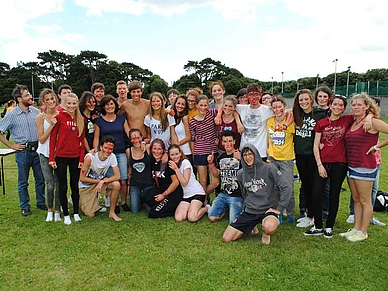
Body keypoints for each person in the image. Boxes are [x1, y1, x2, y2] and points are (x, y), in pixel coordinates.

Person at [304, 95, 354, 238]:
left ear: (344, 108)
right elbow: (315, 146)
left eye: (341, 105)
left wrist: (369, 118)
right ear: (330, 105)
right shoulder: (321, 123)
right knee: (316, 195)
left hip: (340, 164)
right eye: (335, 104)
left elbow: (365, 113)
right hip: (323, 163)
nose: (338, 107)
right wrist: (319, 165)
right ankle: (318, 226)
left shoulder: (347, 120)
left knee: (333, 195)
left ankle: (329, 226)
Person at [341, 93, 388, 242]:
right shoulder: (353, 121)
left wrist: (377, 146)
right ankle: (356, 228)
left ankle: (363, 231)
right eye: (353, 104)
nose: (355, 107)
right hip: (352, 165)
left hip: (365, 166)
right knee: (356, 199)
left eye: (359, 104)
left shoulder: (372, 122)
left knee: (365, 200)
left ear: (367, 106)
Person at [222, 144, 291, 245]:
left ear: (256, 155)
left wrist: (279, 209)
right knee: (227, 238)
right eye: (245, 155)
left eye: (250, 154)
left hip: (267, 209)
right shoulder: (241, 173)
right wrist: (246, 208)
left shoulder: (269, 168)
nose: (248, 157)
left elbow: (286, 187)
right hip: (250, 211)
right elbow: (244, 193)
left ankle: (265, 233)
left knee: (269, 228)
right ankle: (252, 225)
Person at [0, 84, 46, 216]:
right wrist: (11, 145)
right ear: (19, 99)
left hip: (37, 150)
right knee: (23, 181)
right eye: (26, 95)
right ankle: (25, 206)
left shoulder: (36, 112)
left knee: (40, 178)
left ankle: (41, 201)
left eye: (29, 94)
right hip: (23, 152)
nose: (30, 96)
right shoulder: (11, 115)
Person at [49, 93, 85, 225]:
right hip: (61, 157)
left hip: (75, 158)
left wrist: (81, 159)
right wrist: (52, 157)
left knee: (74, 186)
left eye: (74, 103)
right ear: (64, 103)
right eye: (68, 103)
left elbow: (82, 140)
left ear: (77, 104)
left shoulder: (80, 119)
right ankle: (65, 214)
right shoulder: (59, 117)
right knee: (62, 187)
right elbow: (53, 138)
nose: (71, 106)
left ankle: (75, 212)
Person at [292, 89, 326, 227]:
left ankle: (312, 215)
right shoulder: (296, 114)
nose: (304, 102)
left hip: (314, 155)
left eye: (306, 99)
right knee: (305, 185)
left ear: (311, 99)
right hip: (300, 155)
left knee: (314, 187)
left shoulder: (320, 113)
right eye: (301, 100)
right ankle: (308, 213)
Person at [94, 95, 131, 212]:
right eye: (107, 104)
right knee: (111, 180)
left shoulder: (121, 119)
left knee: (123, 180)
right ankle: (113, 203)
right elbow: (96, 138)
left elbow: (129, 132)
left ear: (115, 106)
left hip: (120, 152)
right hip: (107, 155)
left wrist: (138, 141)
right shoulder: (99, 121)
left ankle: (124, 201)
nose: (109, 106)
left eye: (111, 104)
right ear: (103, 107)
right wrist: (96, 150)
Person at [79, 135, 122, 221]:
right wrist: (99, 181)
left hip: (99, 183)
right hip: (85, 186)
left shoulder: (112, 156)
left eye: (110, 149)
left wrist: (102, 182)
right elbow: (82, 178)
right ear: (100, 146)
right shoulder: (90, 158)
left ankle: (112, 212)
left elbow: (117, 176)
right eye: (105, 148)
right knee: (90, 215)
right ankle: (78, 200)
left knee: (116, 185)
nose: (107, 151)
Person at [267, 95, 295, 222]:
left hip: (286, 159)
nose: (276, 109)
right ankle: (277, 211)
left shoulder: (290, 121)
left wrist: (286, 121)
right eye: (274, 107)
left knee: (288, 186)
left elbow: (293, 112)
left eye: (279, 107)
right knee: (274, 187)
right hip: (272, 158)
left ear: (285, 107)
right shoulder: (269, 121)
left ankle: (290, 213)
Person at [207, 131, 243, 223]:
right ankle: (225, 208)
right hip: (223, 194)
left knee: (234, 223)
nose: (227, 144)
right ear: (222, 143)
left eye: (230, 141)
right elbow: (216, 174)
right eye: (225, 141)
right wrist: (211, 164)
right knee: (212, 218)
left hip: (237, 195)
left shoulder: (241, 155)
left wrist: (240, 160)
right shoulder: (221, 157)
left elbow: (250, 172)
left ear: (234, 142)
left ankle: (239, 209)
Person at [36, 89, 61, 222]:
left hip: (58, 154)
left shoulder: (61, 114)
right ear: (43, 102)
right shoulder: (40, 117)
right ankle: (49, 209)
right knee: (50, 183)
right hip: (44, 153)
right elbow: (41, 139)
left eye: (52, 98)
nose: (51, 101)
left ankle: (58, 210)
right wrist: (51, 126)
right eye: (48, 100)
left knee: (59, 182)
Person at [168, 144, 208, 222]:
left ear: (180, 153)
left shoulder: (185, 162)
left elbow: (185, 183)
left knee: (192, 218)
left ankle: (206, 208)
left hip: (197, 193)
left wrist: (176, 170)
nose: (175, 156)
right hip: (186, 195)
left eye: (176, 154)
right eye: (172, 155)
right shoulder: (173, 164)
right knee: (179, 218)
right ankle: (191, 208)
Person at [189, 95, 218, 193]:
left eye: (205, 105)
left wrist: (218, 136)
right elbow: (192, 140)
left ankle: (202, 197)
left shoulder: (212, 113)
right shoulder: (192, 122)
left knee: (216, 182)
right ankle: (203, 202)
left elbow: (224, 109)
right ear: (196, 105)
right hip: (199, 152)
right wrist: (194, 156)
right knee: (203, 180)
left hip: (213, 150)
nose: (203, 107)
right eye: (200, 105)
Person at [235, 83, 273, 158]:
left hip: (260, 152)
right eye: (251, 95)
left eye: (256, 94)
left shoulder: (267, 110)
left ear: (260, 95)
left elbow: (285, 111)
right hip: (245, 151)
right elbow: (229, 108)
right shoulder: (242, 108)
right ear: (247, 96)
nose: (254, 97)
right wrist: (238, 123)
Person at [148, 139, 183, 218]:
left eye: (159, 149)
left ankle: (174, 209)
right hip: (162, 191)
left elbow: (176, 182)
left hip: (172, 194)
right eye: (154, 148)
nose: (157, 151)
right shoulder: (152, 161)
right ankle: (165, 206)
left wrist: (164, 195)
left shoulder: (168, 163)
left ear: (163, 150)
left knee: (152, 214)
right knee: (145, 196)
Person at [128, 129, 154, 213]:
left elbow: (158, 148)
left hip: (148, 184)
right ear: (130, 140)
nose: (136, 141)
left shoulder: (147, 148)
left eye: (138, 138)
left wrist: (143, 143)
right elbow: (129, 167)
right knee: (135, 210)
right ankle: (140, 198)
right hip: (135, 185)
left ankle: (144, 199)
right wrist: (128, 183)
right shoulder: (128, 151)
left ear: (142, 137)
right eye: (133, 139)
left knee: (149, 210)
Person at [170, 95, 193, 167]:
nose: (180, 106)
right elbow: (173, 133)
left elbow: (188, 137)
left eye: (183, 104)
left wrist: (177, 144)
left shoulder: (185, 118)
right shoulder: (173, 117)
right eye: (178, 103)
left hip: (185, 151)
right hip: (176, 153)